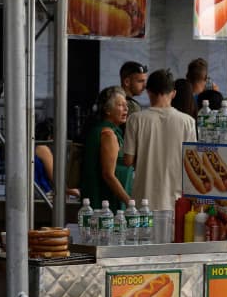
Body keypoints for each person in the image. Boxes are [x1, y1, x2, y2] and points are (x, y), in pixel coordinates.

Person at [123, 69, 197, 211]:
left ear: (148, 91)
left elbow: (128, 160)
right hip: (175, 203)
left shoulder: (135, 119)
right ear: (173, 93)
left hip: (143, 201)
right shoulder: (188, 122)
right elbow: (191, 163)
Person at [81, 89, 134, 211]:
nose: (126, 109)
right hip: (106, 204)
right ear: (107, 110)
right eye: (120, 105)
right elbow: (108, 174)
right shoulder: (108, 134)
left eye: (126, 105)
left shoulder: (106, 130)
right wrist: (129, 201)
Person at [33, 119, 78, 200]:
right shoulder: (43, 148)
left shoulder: (36, 147)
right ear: (50, 136)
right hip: (43, 194)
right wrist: (74, 191)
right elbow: (56, 178)